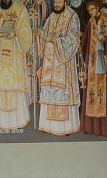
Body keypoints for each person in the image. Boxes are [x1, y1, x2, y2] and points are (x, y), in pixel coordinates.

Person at [0, 0, 33, 130]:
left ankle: (16, 121)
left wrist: (16, 33)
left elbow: (26, 31)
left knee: (13, 87)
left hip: (13, 56)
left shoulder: (21, 9)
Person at [35, 0, 81, 135]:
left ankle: (65, 128)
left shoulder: (72, 16)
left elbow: (73, 39)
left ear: (65, 2)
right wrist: (39, 34)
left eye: (59, 1)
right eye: (55, 1)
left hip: (64, 64)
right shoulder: (51, 17)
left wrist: (55, 41)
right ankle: (46, 125)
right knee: (49, 93)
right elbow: (45, 33)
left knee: (63, 94)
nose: (56, 4)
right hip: (50, 64)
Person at [83, 0, 107, 136]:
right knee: (92, 93)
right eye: (89, 11)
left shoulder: (105, 18)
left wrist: (104, 38)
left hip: (103, 60)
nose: (91, 12)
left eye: (92, 9)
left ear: (97, 8)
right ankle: (92, 128)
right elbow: (86, 41)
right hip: (92, 63)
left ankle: (103, 129)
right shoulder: (91, 22)